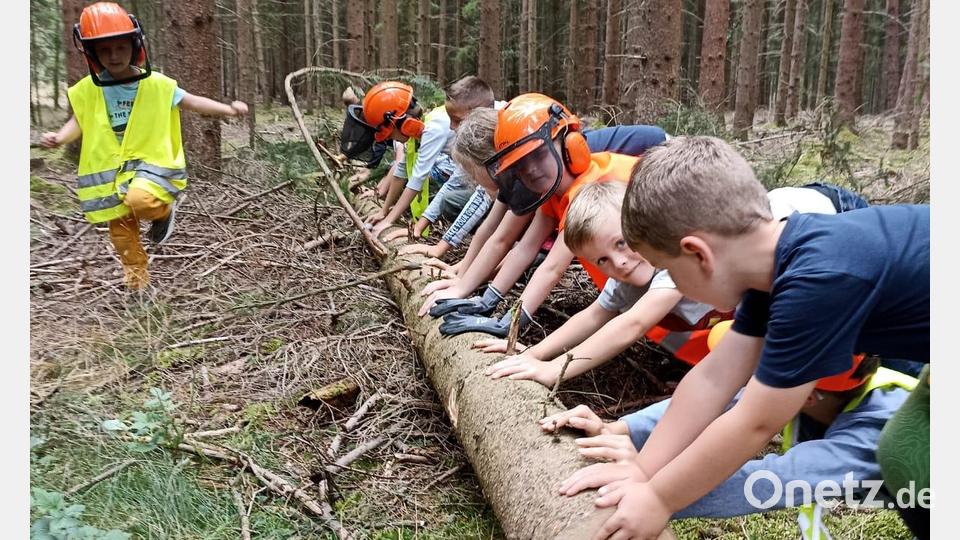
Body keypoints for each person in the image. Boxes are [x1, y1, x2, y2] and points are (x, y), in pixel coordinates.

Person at [555, 136, 929, 540]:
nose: (673, 284)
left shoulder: (818, 281)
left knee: (912, 461)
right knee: (905, 455)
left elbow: (756, 420)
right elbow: (714, 378)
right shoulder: (775, 275)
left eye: (669, 270)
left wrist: (659, 499)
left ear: (699, 253)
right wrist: (643, 472)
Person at [541, 327, 917, 540]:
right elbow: (718, 402)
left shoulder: (876, 429)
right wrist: (617, 429)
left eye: (755, 371)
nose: (743, 380)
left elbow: (771, 481)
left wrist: (651, 492)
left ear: (809, 393)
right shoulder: (807, 391)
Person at [479, 180, 869, 385]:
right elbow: (596, 314)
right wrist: (531, 356)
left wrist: (555, 369)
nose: (621, 263)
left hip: (827, 214)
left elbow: (632, 323)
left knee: (875, 326)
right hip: (787, 265)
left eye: (622, 243)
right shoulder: (629, 271)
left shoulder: (669, 250)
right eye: (602, 261)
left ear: (638, 226)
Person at [39, 2, 248, 291]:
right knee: (122, 232)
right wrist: (59, 138)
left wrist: (228, 110)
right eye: (105, 50)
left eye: (120, 48)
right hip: (111, 173)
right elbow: (79, 121)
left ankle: (163, 212)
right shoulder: (88, 89)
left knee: (141, 200)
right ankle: (137, 285)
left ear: (134, 46)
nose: (114, 56)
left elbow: (192, 102)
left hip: (148, 162)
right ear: (93, 54)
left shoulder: (157, 85)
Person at [419, 94, 657, 338]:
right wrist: (486, 300)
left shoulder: (586, 191)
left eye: (539, 155)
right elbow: (523, 248)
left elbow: (552, 268)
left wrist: (511, 322)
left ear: (571, 143)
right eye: (520, 165)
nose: (531, 169)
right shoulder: (552, 191)